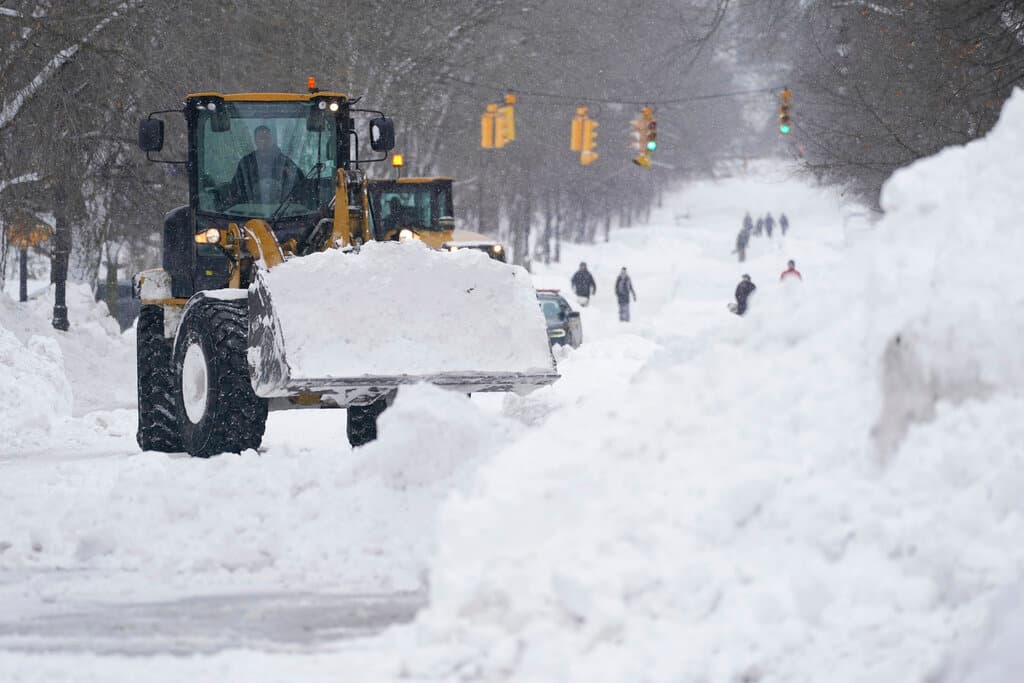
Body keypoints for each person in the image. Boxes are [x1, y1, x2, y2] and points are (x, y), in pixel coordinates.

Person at [227, 125, 304, 205]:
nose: (264, 141)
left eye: (267, 138)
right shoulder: (246, 163)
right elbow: (236, 188)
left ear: (272, 140)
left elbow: (300, 185)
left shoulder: (285, 162)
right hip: (251, 210)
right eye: (261, 138)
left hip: (282, 209)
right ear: (255, 141)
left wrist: (291, 177)